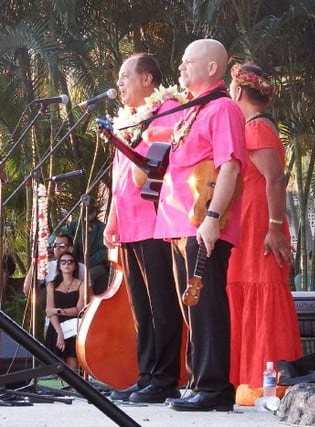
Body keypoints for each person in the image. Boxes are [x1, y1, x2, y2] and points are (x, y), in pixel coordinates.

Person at [154, 39, 246, 412]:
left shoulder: (223, 108)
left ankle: (214, 387)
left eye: (188, 61)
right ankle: (198, 382)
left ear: (211, 67)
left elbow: (230, 166)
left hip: (203, 222)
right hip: (179, 223)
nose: (181, 67)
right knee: (191, 305)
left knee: (205, 304)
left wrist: (212, 218)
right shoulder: (194, 109)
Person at [105, 53, 183, 403]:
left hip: (155, 220)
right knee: (140, 307)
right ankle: (146, 375)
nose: (119, 83)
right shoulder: (128, 118)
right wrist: (111, 217)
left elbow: (162, 162)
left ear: (147, 79)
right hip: (128, 223)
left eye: (125, 76)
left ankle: (165, 379)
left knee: (161, 304)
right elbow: (119, 175)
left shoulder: (167, 109)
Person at [225, 63, 302, 404]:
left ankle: (263, 380)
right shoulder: (252, 126)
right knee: (244, 291)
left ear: (239, 90)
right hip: (248, 225)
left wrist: (274, 226)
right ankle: (242, 379)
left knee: (261, 290)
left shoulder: (256, 127)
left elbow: (275, 179)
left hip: (260, 225)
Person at [44, 251, 86, 372]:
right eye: (63, 262)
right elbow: (49, 311)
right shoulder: (51, 285)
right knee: (56, 366)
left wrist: (58, 311)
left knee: (73, 367)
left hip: (73, 327)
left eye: (70, 262)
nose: (66, 264)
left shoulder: (81, 285)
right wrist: (59, 333)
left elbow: (79, 310)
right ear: (59, 266)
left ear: (75, 266)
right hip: (56, 327)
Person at [59, 196, 109, 295]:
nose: (87, 212)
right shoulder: (75, 225)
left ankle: (86, 301)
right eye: (85, 209)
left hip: (95, 265)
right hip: (75, 263)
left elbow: (104, 253)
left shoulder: (102, 228)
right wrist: (66, 245)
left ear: (95, 210)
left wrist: (85, 263)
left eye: (90, 209)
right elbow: (57, 235)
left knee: (87, 275)